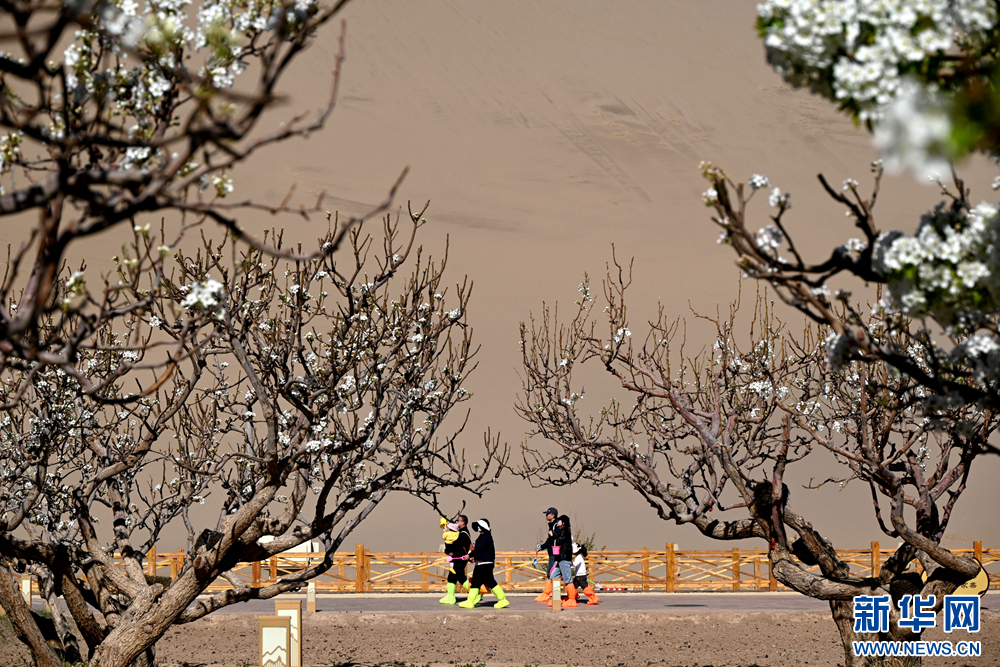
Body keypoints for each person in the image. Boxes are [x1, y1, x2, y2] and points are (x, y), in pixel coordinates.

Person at [458, 519, 509, 609]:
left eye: (479, 525)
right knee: (475, 583)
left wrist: (469, 555)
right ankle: (470, 601)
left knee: (490, 582)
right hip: (480, 564)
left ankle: (502, 600)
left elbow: (479, 549)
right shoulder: (482, 536)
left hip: (486, 564)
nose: (477, 527)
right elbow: (478, 550)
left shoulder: (486, 537)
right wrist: (473, 556)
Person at [439, 514, 471, 605]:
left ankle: (474, 592)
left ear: (463, 522)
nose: (457, 522)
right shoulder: (460, 533)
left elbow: (456, 545)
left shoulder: (463, 534)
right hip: (457, 559)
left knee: (460, 577)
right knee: (452, 577)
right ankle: (450, 596)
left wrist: (448, 543)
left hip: (460, 559)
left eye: (458, 521)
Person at [547, 514, 577, 608]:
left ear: (563, 522)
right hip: (559, 559)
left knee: (567, 579)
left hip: (564, 559)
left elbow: (557, 541)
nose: (557, 522)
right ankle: (556, 598)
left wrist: (552, 536)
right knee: (553, 577)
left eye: (559, 520)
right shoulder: (561, 531)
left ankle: (572, 599)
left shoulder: (565, 532)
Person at [534, 507, 559, 602]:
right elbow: (549, 541)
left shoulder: (556, 525)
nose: (546, 516)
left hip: (555, 553)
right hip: (553, 552)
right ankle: (572, 594)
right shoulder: (552, 525)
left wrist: (552, 535)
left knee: (552, 573)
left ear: (553, 515)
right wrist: (542, 547)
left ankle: (547, 595)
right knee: (560, 574)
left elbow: (556, 539)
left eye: (548, 514)